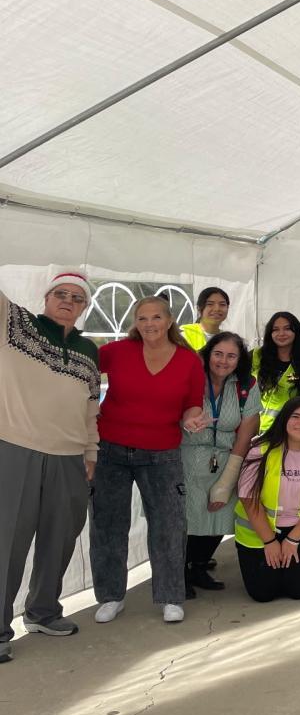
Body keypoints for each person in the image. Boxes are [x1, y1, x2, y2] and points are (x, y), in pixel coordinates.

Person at [0, 272, 99, 663]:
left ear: (84, 307)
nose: (68, 301)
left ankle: (42, 613)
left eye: (77, 298)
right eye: (61, 294)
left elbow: (90, 408)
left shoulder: (89, 350)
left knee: (60, 539)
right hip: (15, 448)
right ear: (46, 296)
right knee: (7, 542)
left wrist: (91, 453)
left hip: (70, 456)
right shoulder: (14, 323)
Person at [92, 296, 204, 625]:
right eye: (142, 318)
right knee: (107, 525)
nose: (149, 324)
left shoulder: (189, 360)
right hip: (110, 450)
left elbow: (193, 403)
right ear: (135, 323)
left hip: (162, 453)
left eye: (156, 317)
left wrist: (192, 418)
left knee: (169, 526)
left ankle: (171, 597)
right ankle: (111, 596)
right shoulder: (116, 352)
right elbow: (79, 371)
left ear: (169, 321)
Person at [183, 332, 262, 598]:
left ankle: (199, 566)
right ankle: (179, 571)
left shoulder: (246, 386)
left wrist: (227, 480)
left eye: (231, 356)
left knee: (219, 516)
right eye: (218, 354)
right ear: (208, 354)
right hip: (186, 458)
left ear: (239, 360)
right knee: (185, 519)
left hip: (227, 459)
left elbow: (247, 431)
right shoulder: (189, 377)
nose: (223, 361)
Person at [233, 397, 300, 602]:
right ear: (284, 419)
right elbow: (248, 499)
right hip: (260, 531)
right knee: (263, 593)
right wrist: (269, 541)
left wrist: (292, 539)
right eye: (295, 417)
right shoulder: (260, 450)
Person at [253, 311, 300, 433]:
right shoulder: (255, 356)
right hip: (251, 429)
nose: (281, 333)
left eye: (287, 329)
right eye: (276, 329)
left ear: (296, 332)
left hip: (285, 432)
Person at [179, 286, 229, 351]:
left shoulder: (228, 339)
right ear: (199, 308)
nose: (217, 309)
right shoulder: (185, 335)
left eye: (222, 304)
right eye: (210, 304)